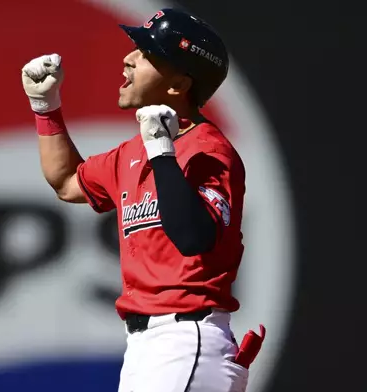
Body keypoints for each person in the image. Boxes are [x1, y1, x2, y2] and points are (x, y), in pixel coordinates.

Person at [20, 7, 263, 392]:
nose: (128, 58)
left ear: (179, 85)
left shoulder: (209, 150)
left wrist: (162, 153)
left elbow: (193, 238)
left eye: (147, 53)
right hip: (144, 348)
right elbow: (67, 181)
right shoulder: (133, 152)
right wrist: (45, 108)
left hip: (187, 339)